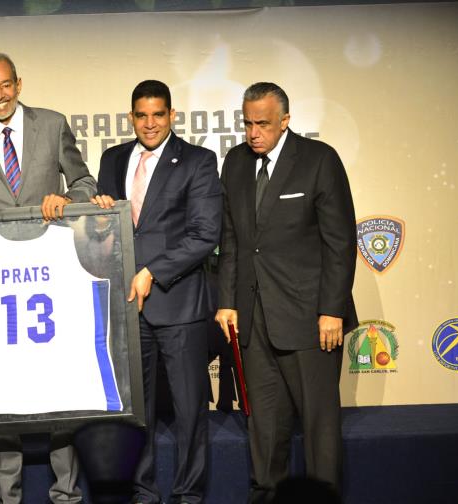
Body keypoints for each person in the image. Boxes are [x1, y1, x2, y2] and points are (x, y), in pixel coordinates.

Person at [0, 52, 97, 504]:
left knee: (58, 385)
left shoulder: (52, 124)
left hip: (50, 273)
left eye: (5, 85)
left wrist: (66, 198)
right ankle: (5, 496)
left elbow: (85, 180)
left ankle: (65, 493)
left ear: (19, 83)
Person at [214, 82, 357, 502]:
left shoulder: (318, 160)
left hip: (311, 319)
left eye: (263, 123)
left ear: (286, 121)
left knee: (319, 429)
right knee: (264, 429)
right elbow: (232, 238)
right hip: (254, 320)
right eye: (247, 123)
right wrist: (226, 300)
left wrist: (331, 310)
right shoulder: (235, 163)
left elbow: (340, 241)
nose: (253, 132)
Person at [93, 80, 222, 504]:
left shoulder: (198, 161)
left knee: (189, 413)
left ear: (172, 115)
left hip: (179, 304)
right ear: (131, 116)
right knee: (137, 414)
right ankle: (143, 493)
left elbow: (205, 235)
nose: (150, 123)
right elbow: (104, 232)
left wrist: (152, 271)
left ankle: (188, 494)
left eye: (158, 114)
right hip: (127, 307)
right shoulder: (112, 159)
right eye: (142, 115)